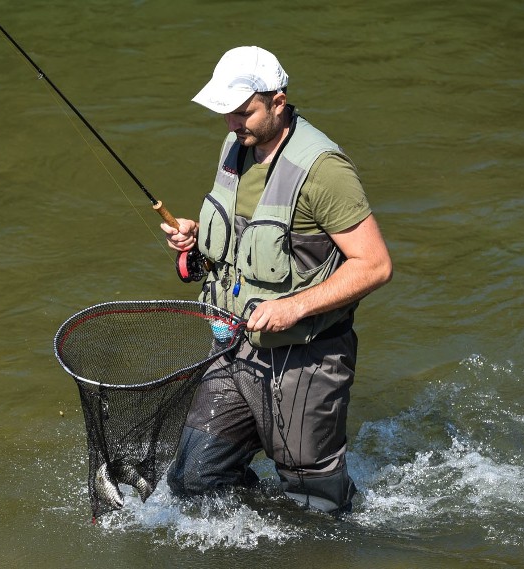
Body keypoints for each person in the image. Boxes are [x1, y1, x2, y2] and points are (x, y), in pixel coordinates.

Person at [160, 46, 392, 514]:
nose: (231, 123)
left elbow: (374, 265)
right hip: (232, 349)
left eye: (243, 112)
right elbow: (245, 240)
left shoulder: (324, 171)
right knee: (193, 479)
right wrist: (197, 241)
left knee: (315, 508)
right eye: (225, 112)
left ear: (279, 102)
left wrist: (296, 306)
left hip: (305, 359)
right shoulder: (237, 145)